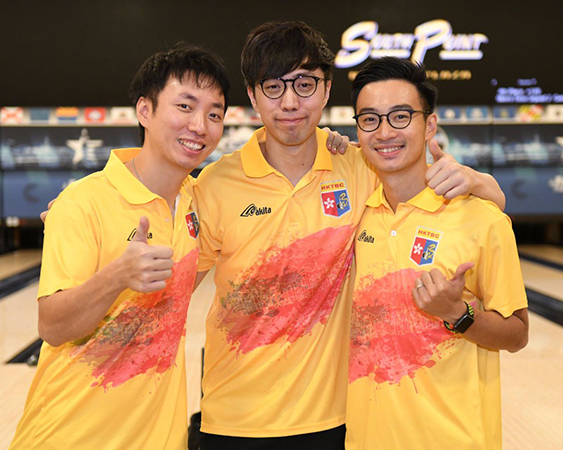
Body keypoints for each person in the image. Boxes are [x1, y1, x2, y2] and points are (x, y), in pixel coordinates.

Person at [193, 21, 506, 450]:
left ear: (326, 90)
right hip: (233, 419)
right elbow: (174, 289)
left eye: (305, 85)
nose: (289, 102)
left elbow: (449, 204)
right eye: (272, 87)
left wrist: (484, 184)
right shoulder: (214, 183)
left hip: (335, 420)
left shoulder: (361, 168)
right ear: (251, 96)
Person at [10, 43, 230, 450]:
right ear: (144, 111)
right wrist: (117, 275)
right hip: (69, 438)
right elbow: (53, 327)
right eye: (185, 106)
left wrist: (335, 145)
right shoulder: (84, 202)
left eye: (214, 113)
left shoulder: (203, 200)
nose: (200, 125)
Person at [346, 57, 529, 449]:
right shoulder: (357, 215)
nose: (384, 132)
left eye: (400, 116)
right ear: (358, 130)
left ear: (429, 124)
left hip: (454, 439)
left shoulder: (483, 220)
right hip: (366, 439)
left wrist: (456, 314)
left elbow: (517, 335)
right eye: (370, 119)